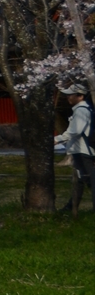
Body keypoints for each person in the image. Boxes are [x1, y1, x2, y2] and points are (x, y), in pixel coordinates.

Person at [56, 84, 92, 216]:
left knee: (89, 180)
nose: (68, 97)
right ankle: (71, 207)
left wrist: (58, 138)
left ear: (80, 96)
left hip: (83, 151)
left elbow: (75, 130)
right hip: (80, 150)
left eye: (71, 94)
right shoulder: (81, 109)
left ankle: (72, 208)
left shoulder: (82, 110)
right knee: (81, 180)